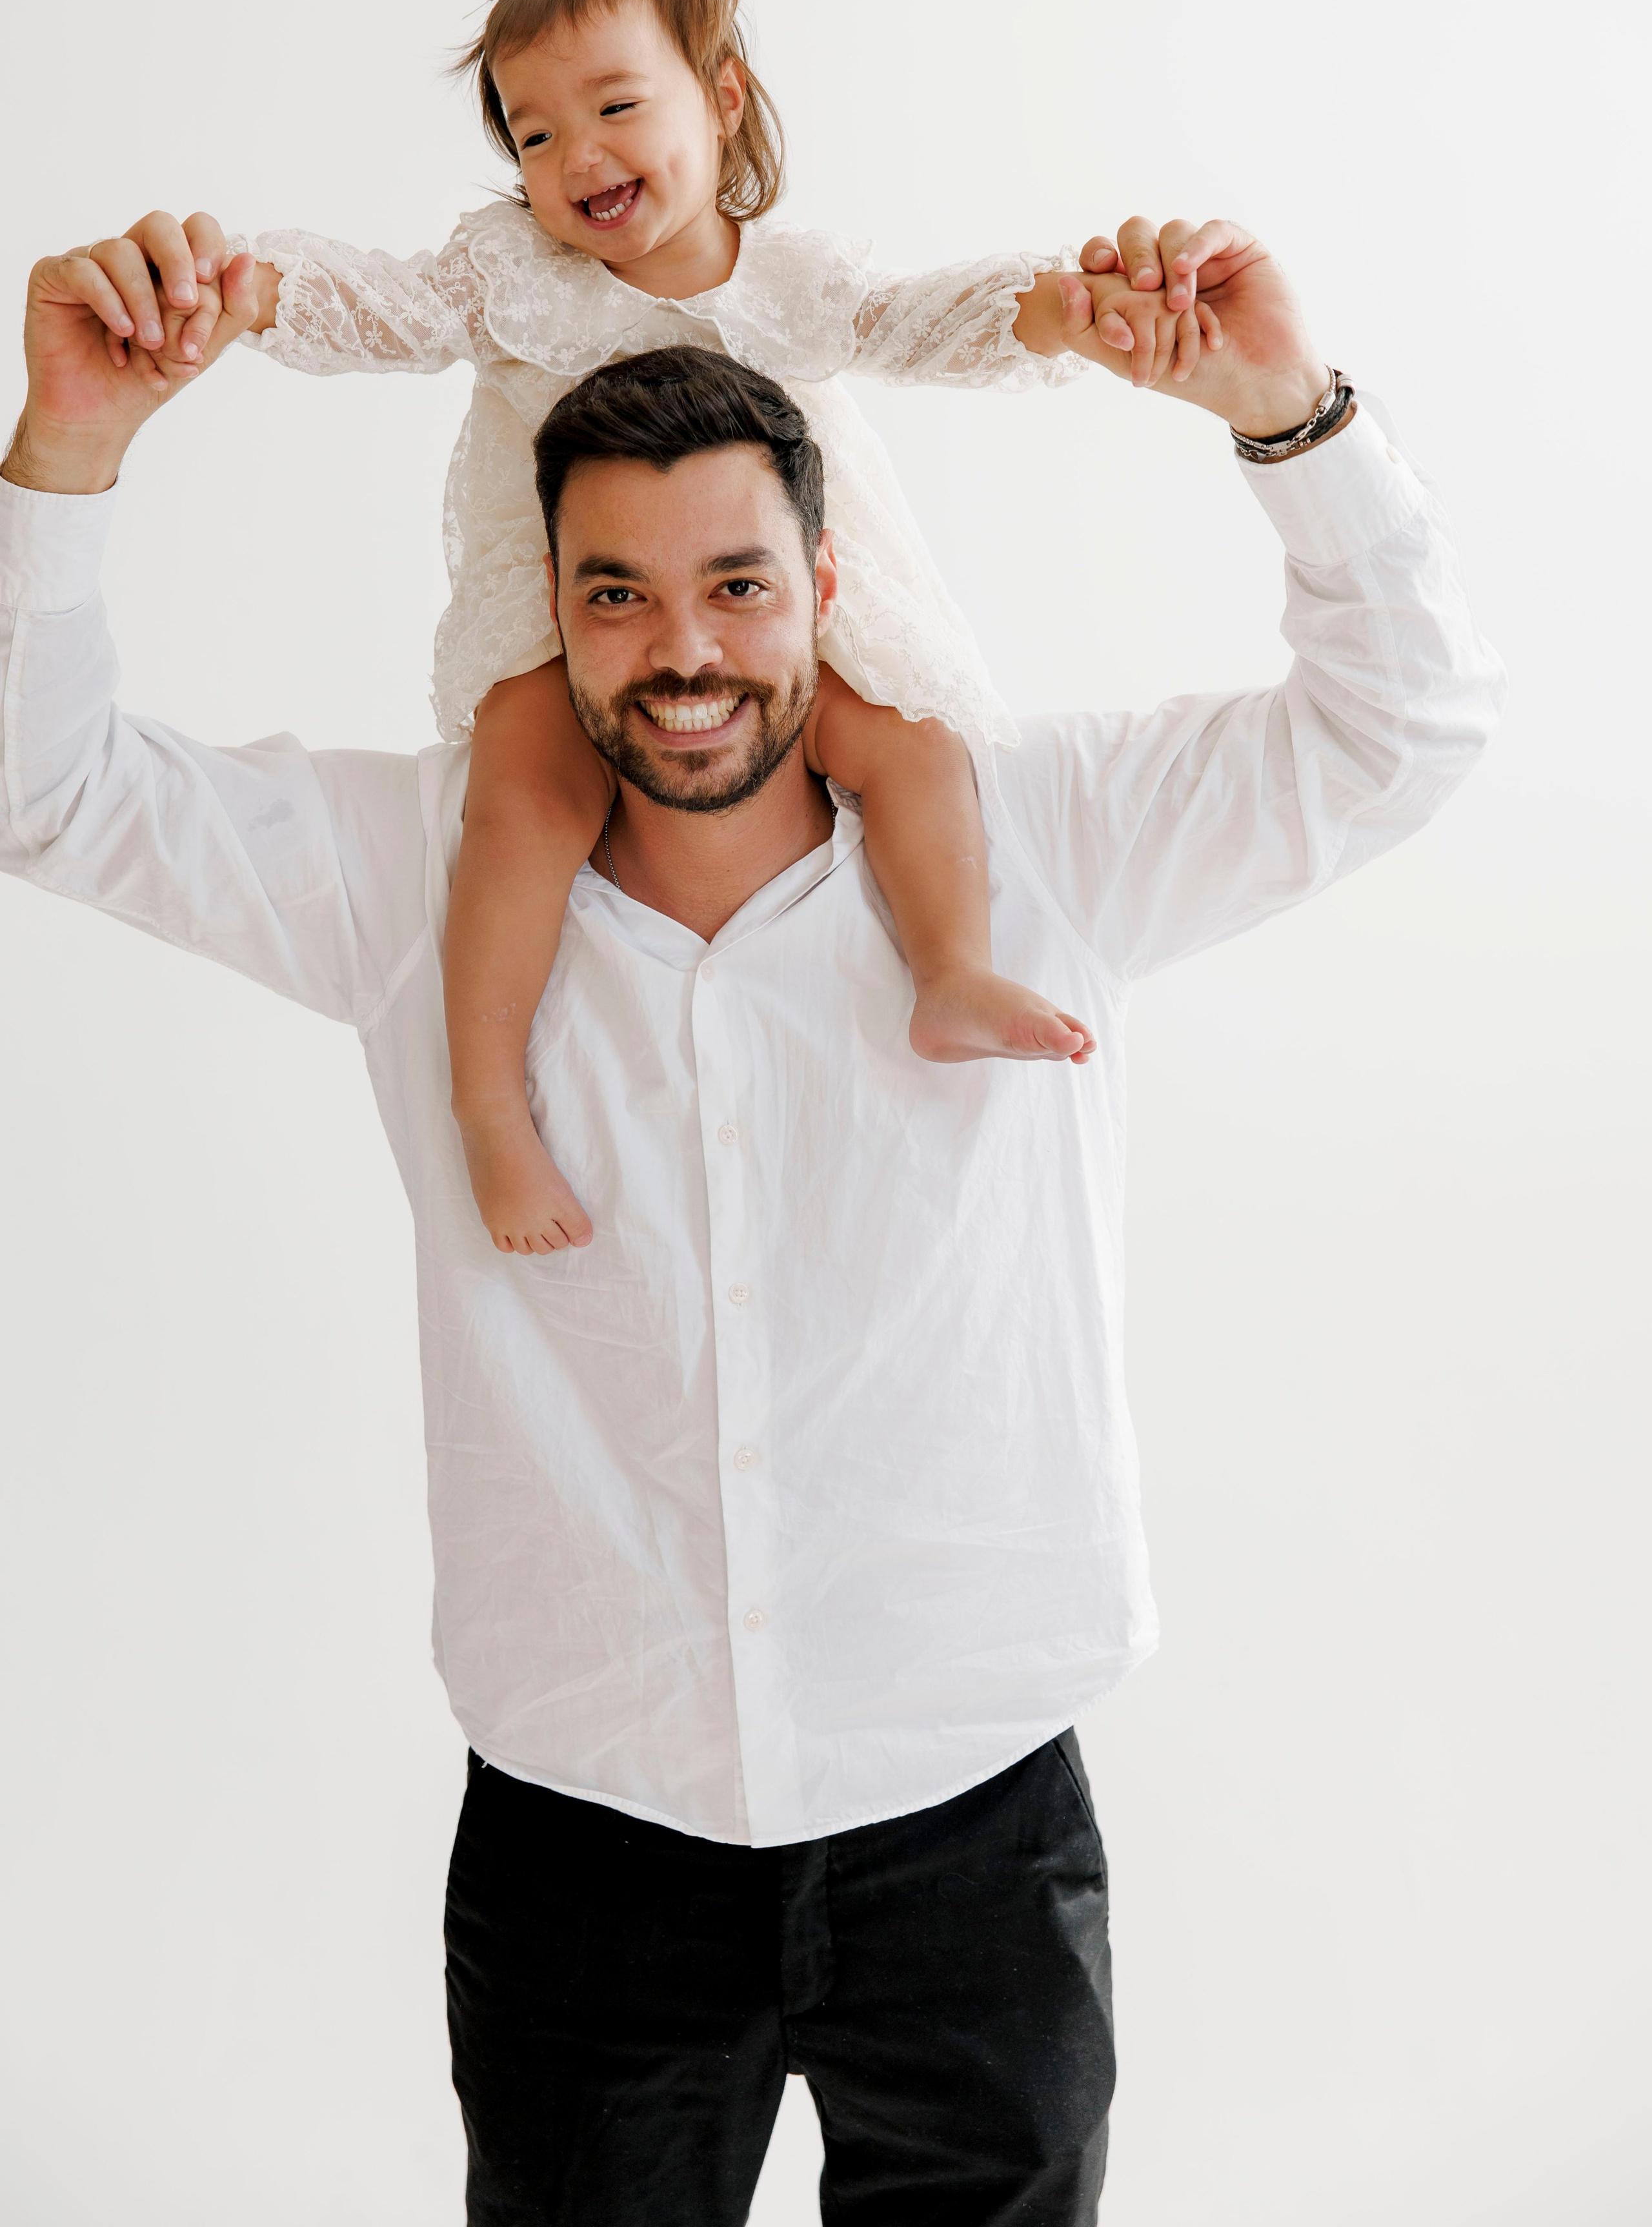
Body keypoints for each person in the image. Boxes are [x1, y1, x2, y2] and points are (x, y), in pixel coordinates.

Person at [0, 203, 1503, 2225]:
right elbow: (44, 790)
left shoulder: (1038, 840)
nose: (684, 652)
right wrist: (68, 445)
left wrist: (1291, 425)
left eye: (735, 586)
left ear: (825, 586)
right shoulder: (413, 877)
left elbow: (1401, 732)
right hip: (586, 1854)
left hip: (975, 1834)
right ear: (545, 605)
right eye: (614, 596)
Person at [186, 0, 1217, 1255]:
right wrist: (254, 289)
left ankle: (950, 968)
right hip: (574, 612)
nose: (575, 158)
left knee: (907, 745)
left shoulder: (791, 279)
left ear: (721, 98)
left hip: (760, 612)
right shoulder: (511, 273)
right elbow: (390, 306)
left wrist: (1055, 311)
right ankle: (490, 1106)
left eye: (614, 107)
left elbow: (921, 319)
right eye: (534, 131)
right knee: (521, 805)